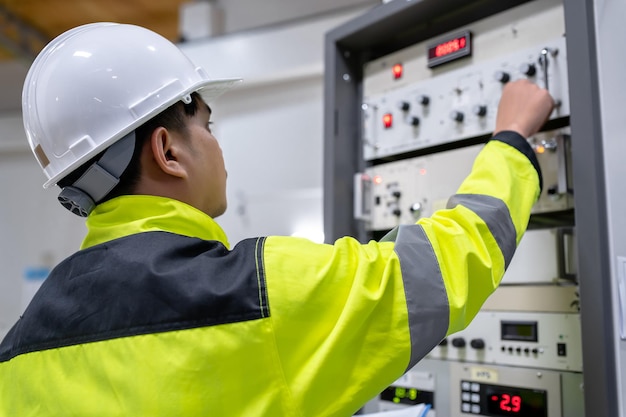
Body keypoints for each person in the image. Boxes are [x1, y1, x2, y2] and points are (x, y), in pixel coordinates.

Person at [0, 22, 553, 417]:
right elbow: (449, 262)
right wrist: (511, 140)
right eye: (208, 127)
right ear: (168, 151)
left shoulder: (17, 350)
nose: (217, 146)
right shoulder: (257, 291)